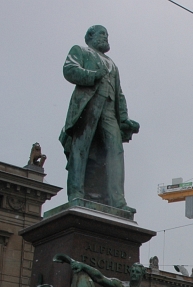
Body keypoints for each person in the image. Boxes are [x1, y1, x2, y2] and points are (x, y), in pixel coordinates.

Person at [59, 25, 139, 212]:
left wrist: (125, 118)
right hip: (88, 106)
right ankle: (76, 194)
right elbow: (69, 70)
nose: (105, 37)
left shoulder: (113, 64)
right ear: (90, 37)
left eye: (107, 34)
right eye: (102, 34)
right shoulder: (80, 51)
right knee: (81, 148)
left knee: (115, 152)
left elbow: (119, 94)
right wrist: (94, 75)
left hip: (109, 111)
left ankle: (117, 200)